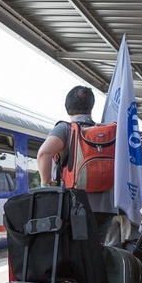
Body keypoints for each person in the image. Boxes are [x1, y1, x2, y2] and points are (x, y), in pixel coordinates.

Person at [37, 85, 116, 243]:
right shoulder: (108, 132)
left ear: (68, 108)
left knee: (76, 252)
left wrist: (46, 185)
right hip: (106, 206)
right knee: (97, 251)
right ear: (91, 108)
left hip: (76, 204)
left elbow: (44, 153)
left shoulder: (65, 129)